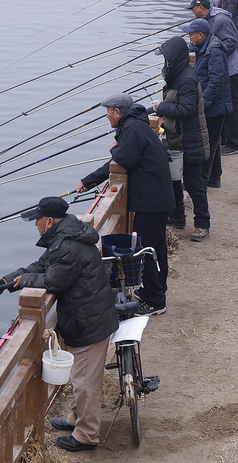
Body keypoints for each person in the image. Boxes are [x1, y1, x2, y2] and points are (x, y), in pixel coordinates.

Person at [0, 196, 119, 452]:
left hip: (90, 321)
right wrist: (4, 282)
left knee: (85, 382)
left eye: (37, 220)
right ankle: (75, 420)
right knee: (82, 374)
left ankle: (87, 436)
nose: (35, 224)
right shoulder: (65, 236)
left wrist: (24, 281)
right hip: (88, 316)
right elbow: (42, 266)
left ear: (48, 220)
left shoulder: (67, 246)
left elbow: (54, 281)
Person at [80, 94, 174, 315]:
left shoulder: (131, 129)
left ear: (117, 112)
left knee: (146, 249)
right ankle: (157, 290)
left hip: (151, 202)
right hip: (158, 198)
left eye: (108, 112)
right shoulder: (136, 126)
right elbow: (125, 156)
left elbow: (124, 158)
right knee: (156, 248)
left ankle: (155, 301)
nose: (107, 117)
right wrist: (89, 180)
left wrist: (114, 148)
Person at [154, 36, 211, 242]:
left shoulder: (187, 79)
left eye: (167, 59)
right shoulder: (176, 75)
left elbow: (187, 109)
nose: (166, 63)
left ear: (176, 58)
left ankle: (202, 224)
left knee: (194, 183)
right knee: (174, 180)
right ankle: (178, 216)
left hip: (191, 140)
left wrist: (161, 108)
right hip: (175, 139)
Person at [187, 0, 238, 170]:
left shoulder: (220, 20)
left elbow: (230, 43)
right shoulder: (205, 23)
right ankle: (225, 139)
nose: (192, 13)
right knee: (224, 105)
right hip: (220, 66)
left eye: (192, 10)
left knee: (230, 104)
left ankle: (235, 143)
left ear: (199, 8)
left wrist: (213, 56)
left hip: (232, 68)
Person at [181, 18, 231, 195]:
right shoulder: (205, 47)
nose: (189, 38)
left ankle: (202, 181)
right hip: (213, 105)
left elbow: (217, 81)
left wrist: (203, 104)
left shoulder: (214, 51)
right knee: (213, 141)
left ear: (200, 35)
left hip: (215, 106)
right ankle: (214, 177)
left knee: (207, 143)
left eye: (191, 35)